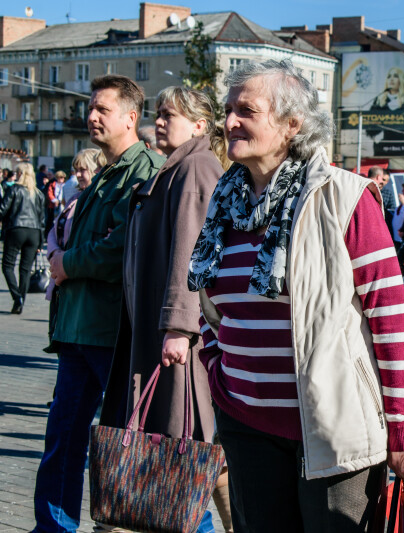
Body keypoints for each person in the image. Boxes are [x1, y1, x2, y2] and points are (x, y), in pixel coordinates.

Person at [187, 59, 404, 532]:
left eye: (246, 111)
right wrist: (215, 370)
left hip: (334, 428)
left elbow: (391, 318)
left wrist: (401, 426)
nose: (229, 122)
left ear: (292, 124)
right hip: (244, 422)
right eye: (227, 110)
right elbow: (211, 309)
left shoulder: (344, 197)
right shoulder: (224, 203)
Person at [33, 74, 165, 533]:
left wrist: (66, 263)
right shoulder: (106, 171)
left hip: (113, 332)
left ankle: (185, 523)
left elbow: (122, 247)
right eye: (90, 107)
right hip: (77, 328)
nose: (91, 116)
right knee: (63, 441)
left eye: (102, 109)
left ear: (131, 118)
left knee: (136, 445)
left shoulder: (145, 169)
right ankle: (52, 527)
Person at [97, 86, 226, 533]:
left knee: (181, 451)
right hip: (158, 332)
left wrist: (179, 326)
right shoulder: (176, 168)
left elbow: (193, 255)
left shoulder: (196, 167)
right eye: (159, 113)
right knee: (180, 452)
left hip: (174, 340)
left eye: (171, 114)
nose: (160, 121)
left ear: (199, 125)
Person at [44, 149, 106, 344]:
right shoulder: (75, 199)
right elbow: (54, 231)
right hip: (61, 275)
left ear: (96, 170)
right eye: (76, 170)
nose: (77, 175)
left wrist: (68, 261)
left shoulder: (100, 200)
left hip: (78, 277)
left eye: (83, 170)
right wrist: (55, 254)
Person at [0, 162, 45, 314]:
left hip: (16, 229)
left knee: (7, 266)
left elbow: (2, 210)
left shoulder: (14, 189)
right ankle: (20, 302)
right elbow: (42, 219)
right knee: (25, 270)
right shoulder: (38, 193)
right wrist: (41, 241)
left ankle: (17, 297)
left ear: (20, 174)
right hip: (34, 232)